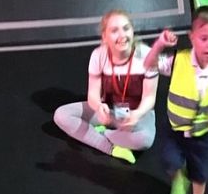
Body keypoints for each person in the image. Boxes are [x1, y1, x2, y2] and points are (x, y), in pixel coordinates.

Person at [144, 5, 208, 194]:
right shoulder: (177, 61)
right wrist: (159, 45)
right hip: (175, 129)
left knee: (200, 171)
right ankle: (178, 177)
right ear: (192, 37)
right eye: (204, 38)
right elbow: (148, 65)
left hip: (204, 133)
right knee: (168, 161)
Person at [54, 9, 159, 164]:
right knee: (61, 115)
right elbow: (93, 95)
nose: (122, 35)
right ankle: (111, 148)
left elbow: (150, 98)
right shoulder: (98, 55)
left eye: (126, 28)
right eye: (114, 31)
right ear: (105, 37)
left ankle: (104, 135)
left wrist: (135, 115)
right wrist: (98, 107)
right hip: (111, 112)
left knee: (145, 140)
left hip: (137, 115)